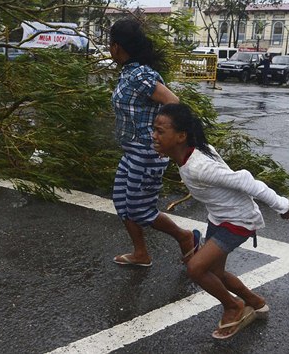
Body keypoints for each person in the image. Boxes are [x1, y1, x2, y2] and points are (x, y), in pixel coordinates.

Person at [151, 103, 289, 339]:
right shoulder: (191, 152)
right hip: (220, 217)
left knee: (196, 268)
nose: (154, 135)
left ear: (181, 136)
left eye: (160, 131)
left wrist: (283, 205)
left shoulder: (199, 167)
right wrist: (165, 150)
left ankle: (233, 306)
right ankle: (255, 302)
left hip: (238, 221)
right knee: (215, 273)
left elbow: (245, 181)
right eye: (154, 130)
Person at [109, 19, 199, 267]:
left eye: (110, 44)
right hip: (131, 151)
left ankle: (185, 237)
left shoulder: (140, 75)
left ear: (117, 47)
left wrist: (163, 138)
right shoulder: (129, 72)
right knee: (122, 202)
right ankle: (141, 253)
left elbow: (173, 102)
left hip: (147, 152)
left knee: (140, 209)